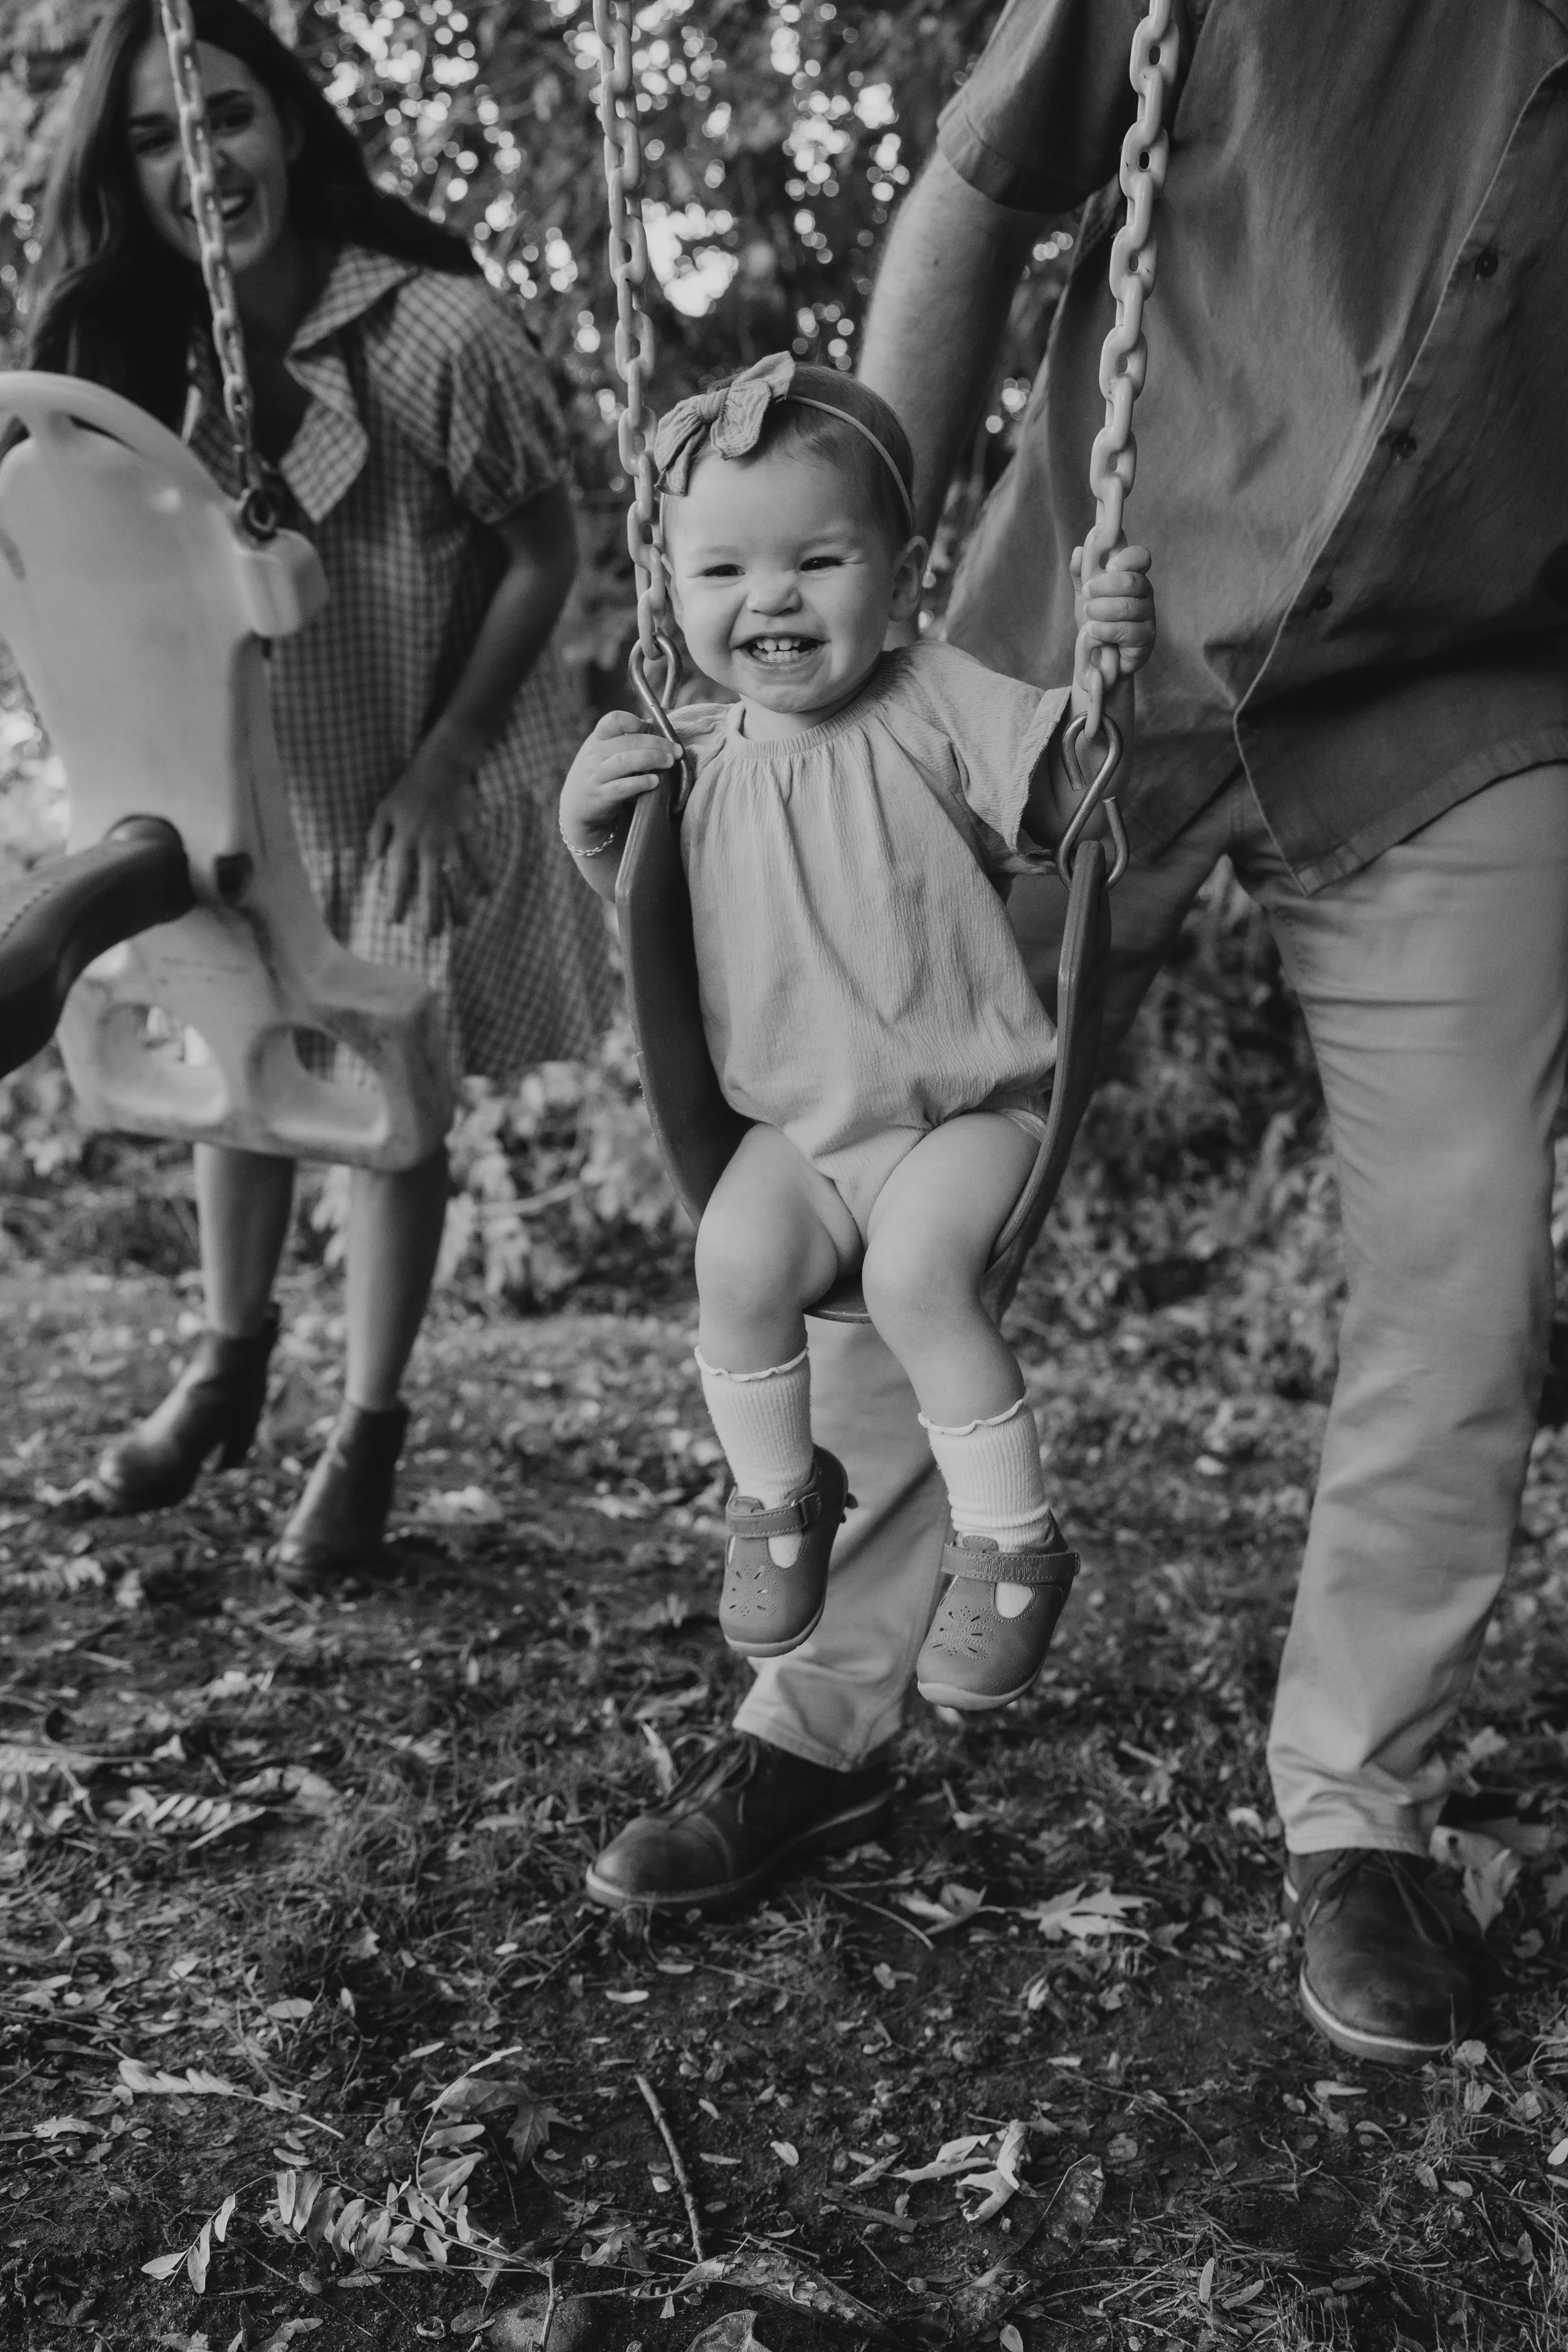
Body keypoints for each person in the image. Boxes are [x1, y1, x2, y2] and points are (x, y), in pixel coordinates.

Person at [586, 0, 1568, 2071]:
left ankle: (1360, 1805)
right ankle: (829, 1708)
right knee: (875, 1161)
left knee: (1460, 1256)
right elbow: (979, 185)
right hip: (1078, 638)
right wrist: (833, 620)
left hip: (1470, 692)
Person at [25, 0, 611, 1586]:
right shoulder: (147, 364)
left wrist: (442, 770)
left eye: (222, 115)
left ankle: (364, 1430)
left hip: (434, 755)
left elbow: (544, 551)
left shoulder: (436, 332)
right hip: (259, 766)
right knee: (241, 1034)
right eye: (153, 134)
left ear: (286, 124)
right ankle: (224, 1368)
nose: (197, 159)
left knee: (385, 1078)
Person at [561, 357, 1153, 1710]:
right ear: (673, 597)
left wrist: (1109, 671)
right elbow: (659, 924)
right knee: (735, 1259)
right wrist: (591, 829)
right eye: (720, 575)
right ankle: (779, 1496)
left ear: (898, 570)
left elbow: (1070, 792)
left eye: (815, 559)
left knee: (911, 1286)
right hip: (798, 1131)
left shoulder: (936, 699)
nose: (767, 596)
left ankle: (1009, 1540)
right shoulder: (692, 757)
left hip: (957, 1114)